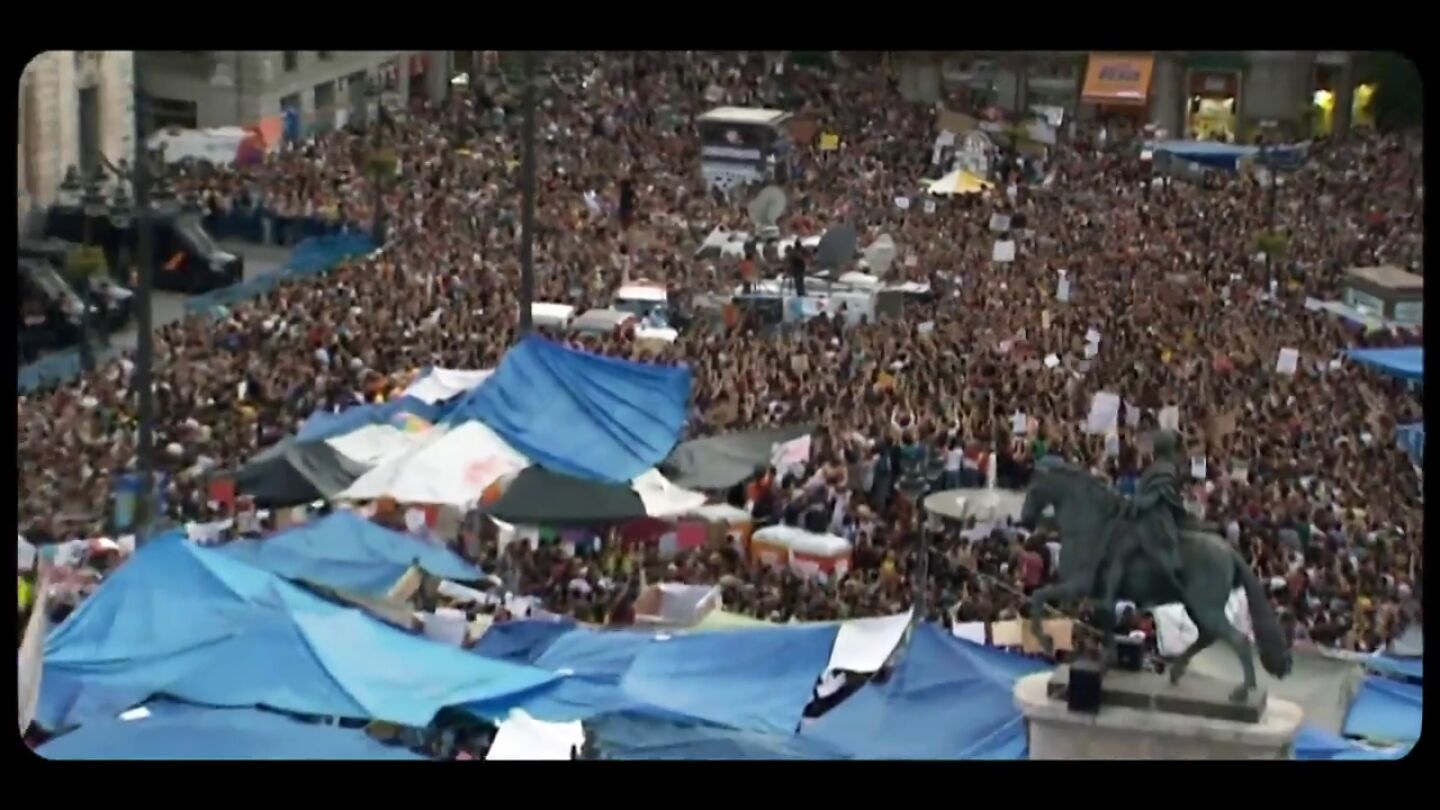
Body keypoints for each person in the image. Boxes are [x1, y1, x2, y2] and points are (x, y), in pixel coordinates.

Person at [1120, 429, 1188, 594]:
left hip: (1158, 514)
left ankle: (1171, 573)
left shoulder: (1165, 469)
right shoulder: (1156, 468)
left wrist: (1136, 503)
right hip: (1147, 510)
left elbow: (1157, 496)